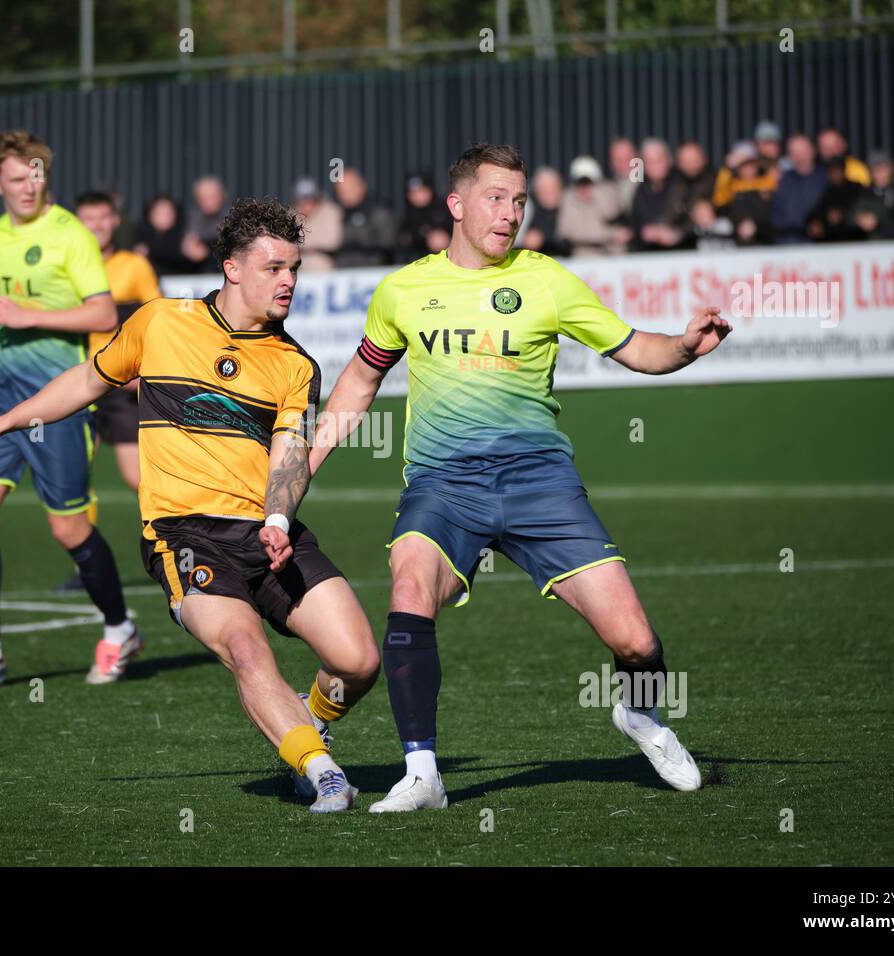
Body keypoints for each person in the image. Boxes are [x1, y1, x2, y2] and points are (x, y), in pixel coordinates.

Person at [311, 142, 729, 811]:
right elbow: (361, 380)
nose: (511, 214)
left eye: (520, 201)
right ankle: (423, 772)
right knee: (410, 585)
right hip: (444, 483)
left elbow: (638, 349)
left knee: (637, 641)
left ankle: (642, 716)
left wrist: (682, 346)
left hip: (540, 482)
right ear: (457, 204)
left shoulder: (547, 280)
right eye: (497, 198)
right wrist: (306, 459)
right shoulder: (403, 290)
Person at [0, 197, 380, 812]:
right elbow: (89, 380)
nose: (289, 282)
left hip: (266, 532)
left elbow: (289, 454)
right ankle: (322, 772)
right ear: (232, 268)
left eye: (294, 269)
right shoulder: (159, 323)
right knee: (247, 648)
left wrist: (278, 519)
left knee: (358, 661)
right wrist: (3, 423)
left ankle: (306, 722)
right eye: (275, 268)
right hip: (185, 535)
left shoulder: (295, 364)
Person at [0, 130, 141, 688]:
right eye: (17, 179)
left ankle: (120, 630)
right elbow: (14, 307)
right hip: (0, 394)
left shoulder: (70, 234)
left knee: (69, 531)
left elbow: (101, 316)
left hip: (59, 399)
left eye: (37, 177)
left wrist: (25, 318)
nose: (28, 188)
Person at [75, 190, 162, 492]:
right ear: (77, 222)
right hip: (78, 380)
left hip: (122, 384)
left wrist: (143, 369)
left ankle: (171, 538)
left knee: (140, 480)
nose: (96, 225)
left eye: (102, 217)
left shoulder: (134, 265)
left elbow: (158, 320)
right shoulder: (66, 269)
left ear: (114, 220)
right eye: (88, 218)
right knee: (72, 477)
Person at [556, 156, 628, 257]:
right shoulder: (569, 198)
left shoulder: (608, 192)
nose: (584, 187)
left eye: (588, 182)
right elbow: (568, 232)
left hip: (611, 255)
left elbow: (612, 215)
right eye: (580, 182)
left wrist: (597, 196)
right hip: (582, 256)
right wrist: (610, 235)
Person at [628, 138, 689, 252]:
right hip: (651, 256)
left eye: (659, 160)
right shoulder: (641, 191)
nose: (655, 166)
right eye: (650, 161)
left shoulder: (683, 185)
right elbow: (635, 224)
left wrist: (676, 234)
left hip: (682, 253)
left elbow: (692, 221)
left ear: (669, 160)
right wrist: (644, 232)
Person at [333, 168, 396, 268]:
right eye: (341, 191)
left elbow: (387, 245)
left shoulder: (379, 212)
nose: (346, 195)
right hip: (344, 275)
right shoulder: (337, 214)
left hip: (373, 273)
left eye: (350, 189)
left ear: (362, 186)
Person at [771, 134, 827, 244]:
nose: (800, 157)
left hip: (820, 244)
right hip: (787, 245)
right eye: (795, 153)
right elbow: (775, 216)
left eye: (803, 152)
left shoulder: (826, 180)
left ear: (813, 151)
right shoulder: (783, 181)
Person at [395, 171, 452, 263]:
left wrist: (448, 239)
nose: (418, 196)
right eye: (413, 193)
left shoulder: (446, 208)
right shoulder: (408, 214)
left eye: (422, 191)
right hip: (419, 263)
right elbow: (402, 239)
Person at [291, 178, 342, 272]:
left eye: (309, 198)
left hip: (323, 267)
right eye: (301, 199)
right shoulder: (293, 214)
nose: (306, 203)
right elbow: (289, 242)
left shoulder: (330, 211)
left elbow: (331, 241)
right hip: (298, 268)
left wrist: (302, 244)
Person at [518, 166, 571, 257]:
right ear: (537, 192)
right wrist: (525, 240)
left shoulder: (569, 206)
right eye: (544, 190)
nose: (549, 194)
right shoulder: (529, 207)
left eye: (553, 189)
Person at [134, 195, 192, 276]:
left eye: (168, 213)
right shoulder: (140, 233)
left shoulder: (184, 232)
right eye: (159, 213)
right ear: (149, 215)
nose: (164, 217)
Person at [183, 175, 229, 274]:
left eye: (213, 197)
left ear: (222, 195)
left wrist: (208, 251)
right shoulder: (193, 217)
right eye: (204, 198)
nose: (209, 202)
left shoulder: (232, 215)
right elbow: (190, 242)